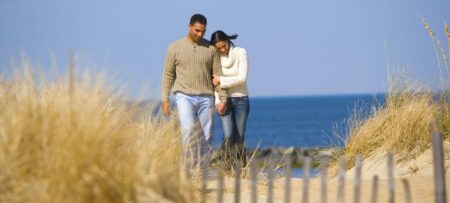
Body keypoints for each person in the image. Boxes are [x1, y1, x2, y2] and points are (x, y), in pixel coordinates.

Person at [161, 14, 227, 169]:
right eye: (197, 30)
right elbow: (168, 74)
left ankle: (201, 170)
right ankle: (188, 168)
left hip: (206, 97)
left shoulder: (211, 49)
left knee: (207, 135)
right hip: (184, 96)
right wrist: (165, 99)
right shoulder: (174, 47)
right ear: (189, 26)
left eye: (203, 31)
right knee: (188, 130)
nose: (200, 34)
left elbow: (218, 76)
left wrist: (222, 99)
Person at [210, 30, 250, 164]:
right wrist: (218, 102)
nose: (222, 49)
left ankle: (242, 170)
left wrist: (222, 80)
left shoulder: (240, 52)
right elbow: (214, 83)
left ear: (228, 40)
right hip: (224, 100)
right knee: (227, 136)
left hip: (241, 100)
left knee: (239, 138)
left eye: (224, 46)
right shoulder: (216, 58)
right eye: (219, 48)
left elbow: (242, 78)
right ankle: (227, 169)